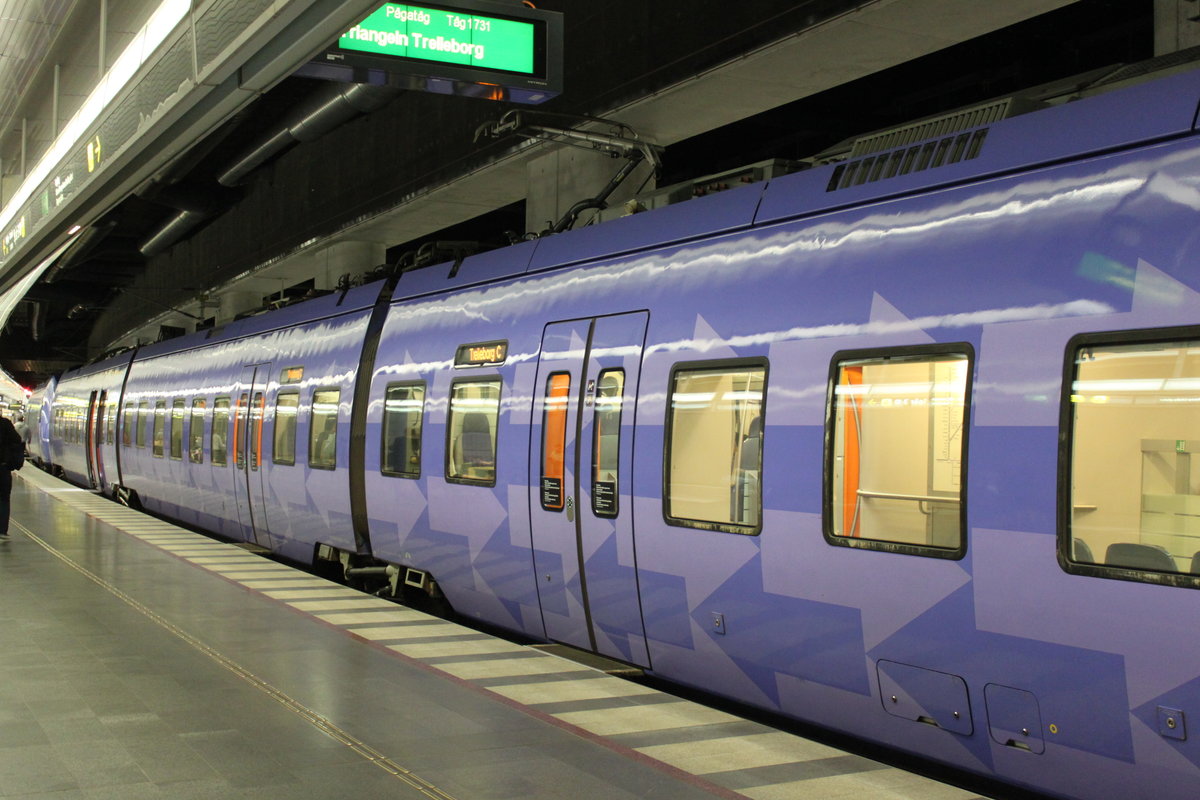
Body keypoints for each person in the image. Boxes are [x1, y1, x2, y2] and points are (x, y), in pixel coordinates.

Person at [0, 414, 23, 539]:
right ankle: (2, 530)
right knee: (4, 499)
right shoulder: (5, 424)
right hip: (3, 468)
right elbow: (17, 440)